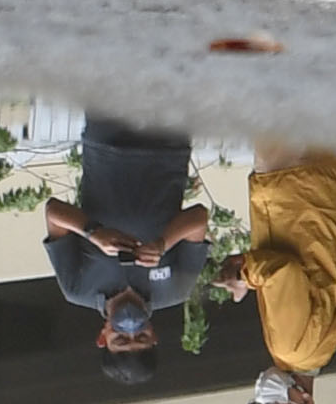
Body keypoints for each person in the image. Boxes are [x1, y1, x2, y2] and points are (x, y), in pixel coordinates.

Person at [43, 117, 213, 382]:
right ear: (154, 336)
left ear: (103, 337)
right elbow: (199, 218)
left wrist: (93, 232)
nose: (131, 329)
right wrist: (163, 243)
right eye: (141, 337)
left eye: (120, 339)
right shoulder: (176, 291)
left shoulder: (77, 289)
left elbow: (53, 213)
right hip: (167, 148)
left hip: (107, 146)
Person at [229, 147, 336, 404]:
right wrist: (239, 275)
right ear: (305, 401)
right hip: (291, 188)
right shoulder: (290, 348)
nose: (264, 400)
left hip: (329, 186)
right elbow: (281, 271)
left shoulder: (325, 348)